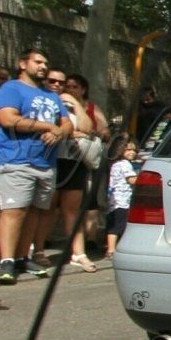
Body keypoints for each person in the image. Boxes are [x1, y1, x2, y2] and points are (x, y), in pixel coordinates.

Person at [0, 48, 73, 284]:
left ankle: (22, 257)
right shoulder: (11, 88)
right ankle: (6, 261)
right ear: (22, 64)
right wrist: (46, 127)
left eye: (46, 63)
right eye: (38, 62)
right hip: (14, 159)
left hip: (45, 162)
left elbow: (66, 124)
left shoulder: (52, 95)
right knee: (14, 210)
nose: (43, 67)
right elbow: (7, 118)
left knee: (36, 211)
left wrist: (59, 132)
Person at [54, 71, 108, 271]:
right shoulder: (54, 103)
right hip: (51, 160)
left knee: (78, 206)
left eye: (73, 86)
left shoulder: (87, 107)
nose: (68, 89)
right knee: (47, 207)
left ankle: (82, 248)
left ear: (83, 89)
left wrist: (76, 107)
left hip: (78, 161)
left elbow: (93, 129)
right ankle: (35, 250)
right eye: (65, 86)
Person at [105, 136, 141, 257]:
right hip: (122, 200)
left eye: (134, 150)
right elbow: (131, 180)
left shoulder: (115, 164)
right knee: (119, 226)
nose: (132, 152)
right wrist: (142, 179)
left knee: (112, 225)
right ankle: (112, 250)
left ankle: (110, 249)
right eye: (128, 150)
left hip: (113, 200)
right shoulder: (125, 164)